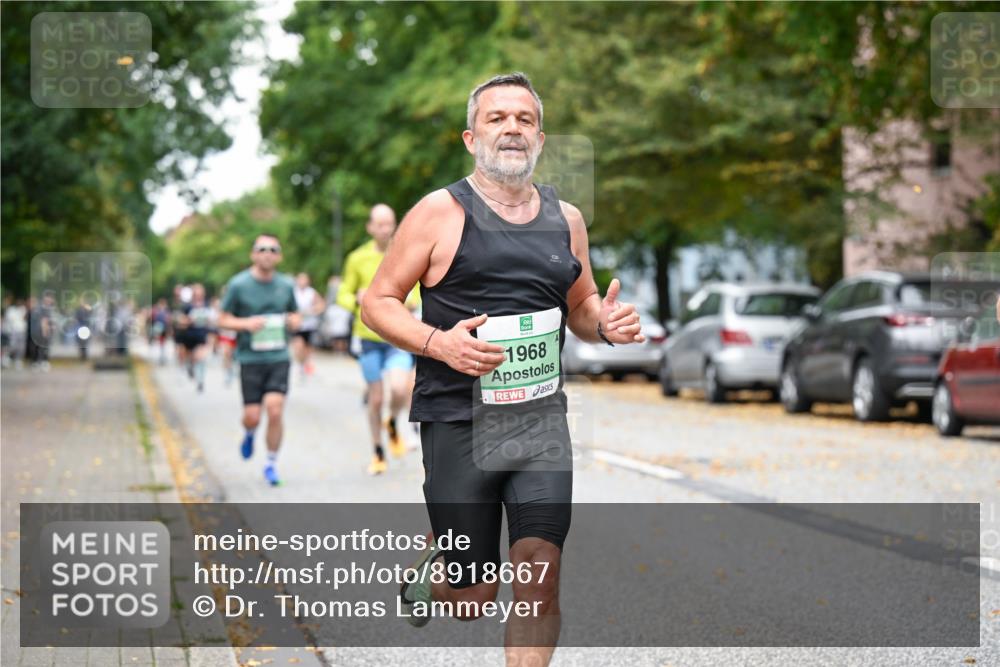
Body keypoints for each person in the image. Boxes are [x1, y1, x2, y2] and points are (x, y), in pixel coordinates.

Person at [361, 73, 644, 666]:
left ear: (540, 138)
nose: (511, 128)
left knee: (539, 576)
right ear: (471, 138)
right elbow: (377, 303)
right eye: (497, 118)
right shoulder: (438, 213)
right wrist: (439, 344)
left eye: (523, 119)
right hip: (458, 423)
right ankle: (442, 566)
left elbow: (582, 307)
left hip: (539, 425)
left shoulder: (566, 219)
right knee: (472, 596)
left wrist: (605, 325)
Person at [338, 204, 421, 476]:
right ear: (370, 227)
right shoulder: (357, 258)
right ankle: (377, 452)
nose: (386, 229)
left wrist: (406, 301)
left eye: (390, 223)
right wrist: (357, 300)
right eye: (380, 224)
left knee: (399, 389)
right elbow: (342, 295)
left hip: (397, 335)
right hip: (368, 338)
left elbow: (419, 292)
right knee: (375, 399)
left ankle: (393, 423)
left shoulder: (405, 253)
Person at [218, 234, 301, 487]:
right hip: (250, 358)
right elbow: (222, 318)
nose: (267, 253)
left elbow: (296, 315)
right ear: (253, 254)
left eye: (273, 249)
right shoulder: (238, 284)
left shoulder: (286, 285)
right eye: (262, 249)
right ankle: (249, 432)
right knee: (252, 416)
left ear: (279, 256)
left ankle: (271, 464)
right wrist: (245, 324)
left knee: (275, 410)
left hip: (278, 357)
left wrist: (293, 322)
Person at [292, 272, 325, 380]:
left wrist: (313, 310)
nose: (302, 282)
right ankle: (300, 365)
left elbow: (321, 305)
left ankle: (305, 364)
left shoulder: (311, 292)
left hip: (310, 325)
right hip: (297, 325)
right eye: (300, 279)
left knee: (308, 348)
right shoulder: (293, 292)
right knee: (298, 346)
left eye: (304, 279)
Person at [180, 284, 213, 392]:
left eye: (201, 293)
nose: (199, 295)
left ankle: (200, 381)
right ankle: (190, 367)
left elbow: (212, 320)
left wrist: (208, 321)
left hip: (202, 335)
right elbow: (182, 322)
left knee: (201, 358)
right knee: (192, 358)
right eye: (197, 293)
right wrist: (190, 320)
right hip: (189, 335)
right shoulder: (188, 307)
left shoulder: (207, 305)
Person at [325, 275, 353, 355]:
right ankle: (337, 350)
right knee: (336, 332)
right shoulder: (332, 289)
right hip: (335, 308)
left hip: (342, 307)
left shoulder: (342, 288)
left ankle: (341, 350)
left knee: (342, 331)